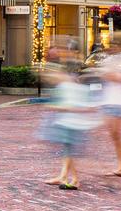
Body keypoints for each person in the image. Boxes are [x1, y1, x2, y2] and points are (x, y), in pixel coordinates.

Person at [40, 59, 97, 191]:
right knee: (67, 150)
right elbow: (89, 107)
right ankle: (64, 176)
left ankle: (75, 179)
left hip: (70, 124)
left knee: (68, 151)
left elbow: (71, 106)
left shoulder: (67, 87)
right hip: (72, 123)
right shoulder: (80, 88)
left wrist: (58, 107)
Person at [97, 41, 121, 179]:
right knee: (113, 134)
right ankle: (119, 165)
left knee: (118, 134)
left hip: (120, 102)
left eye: (115, 45)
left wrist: (117, 77)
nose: (113, 48)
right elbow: (105, 76)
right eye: (111, 45)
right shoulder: (107, 61)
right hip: (108, 100)